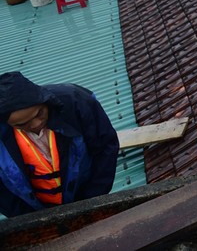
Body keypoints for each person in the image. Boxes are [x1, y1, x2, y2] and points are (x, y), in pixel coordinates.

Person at [0, 71, 119, 217]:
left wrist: (91, 201)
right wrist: (31, 219)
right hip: (35, 212)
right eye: (22, 124)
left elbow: (105, 149)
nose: (36, 124)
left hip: (87, 196)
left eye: (39, 113)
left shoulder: (76, 102)